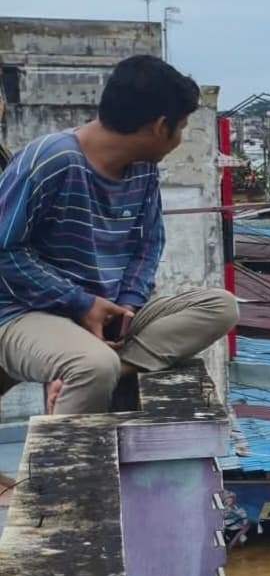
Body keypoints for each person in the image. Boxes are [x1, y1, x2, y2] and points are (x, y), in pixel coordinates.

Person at [0, 55, 238, 417]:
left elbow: (148, 243)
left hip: (107, 310)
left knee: (221, 307)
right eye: (182, 127)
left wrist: (128, 304)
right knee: (91, 367)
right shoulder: (50, 161)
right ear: (161, 126)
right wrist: (80, 303)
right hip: (27, 312)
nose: (181, 137)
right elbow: (5, 251)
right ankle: (60, 466)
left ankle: (112, 366)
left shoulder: (144, 169)